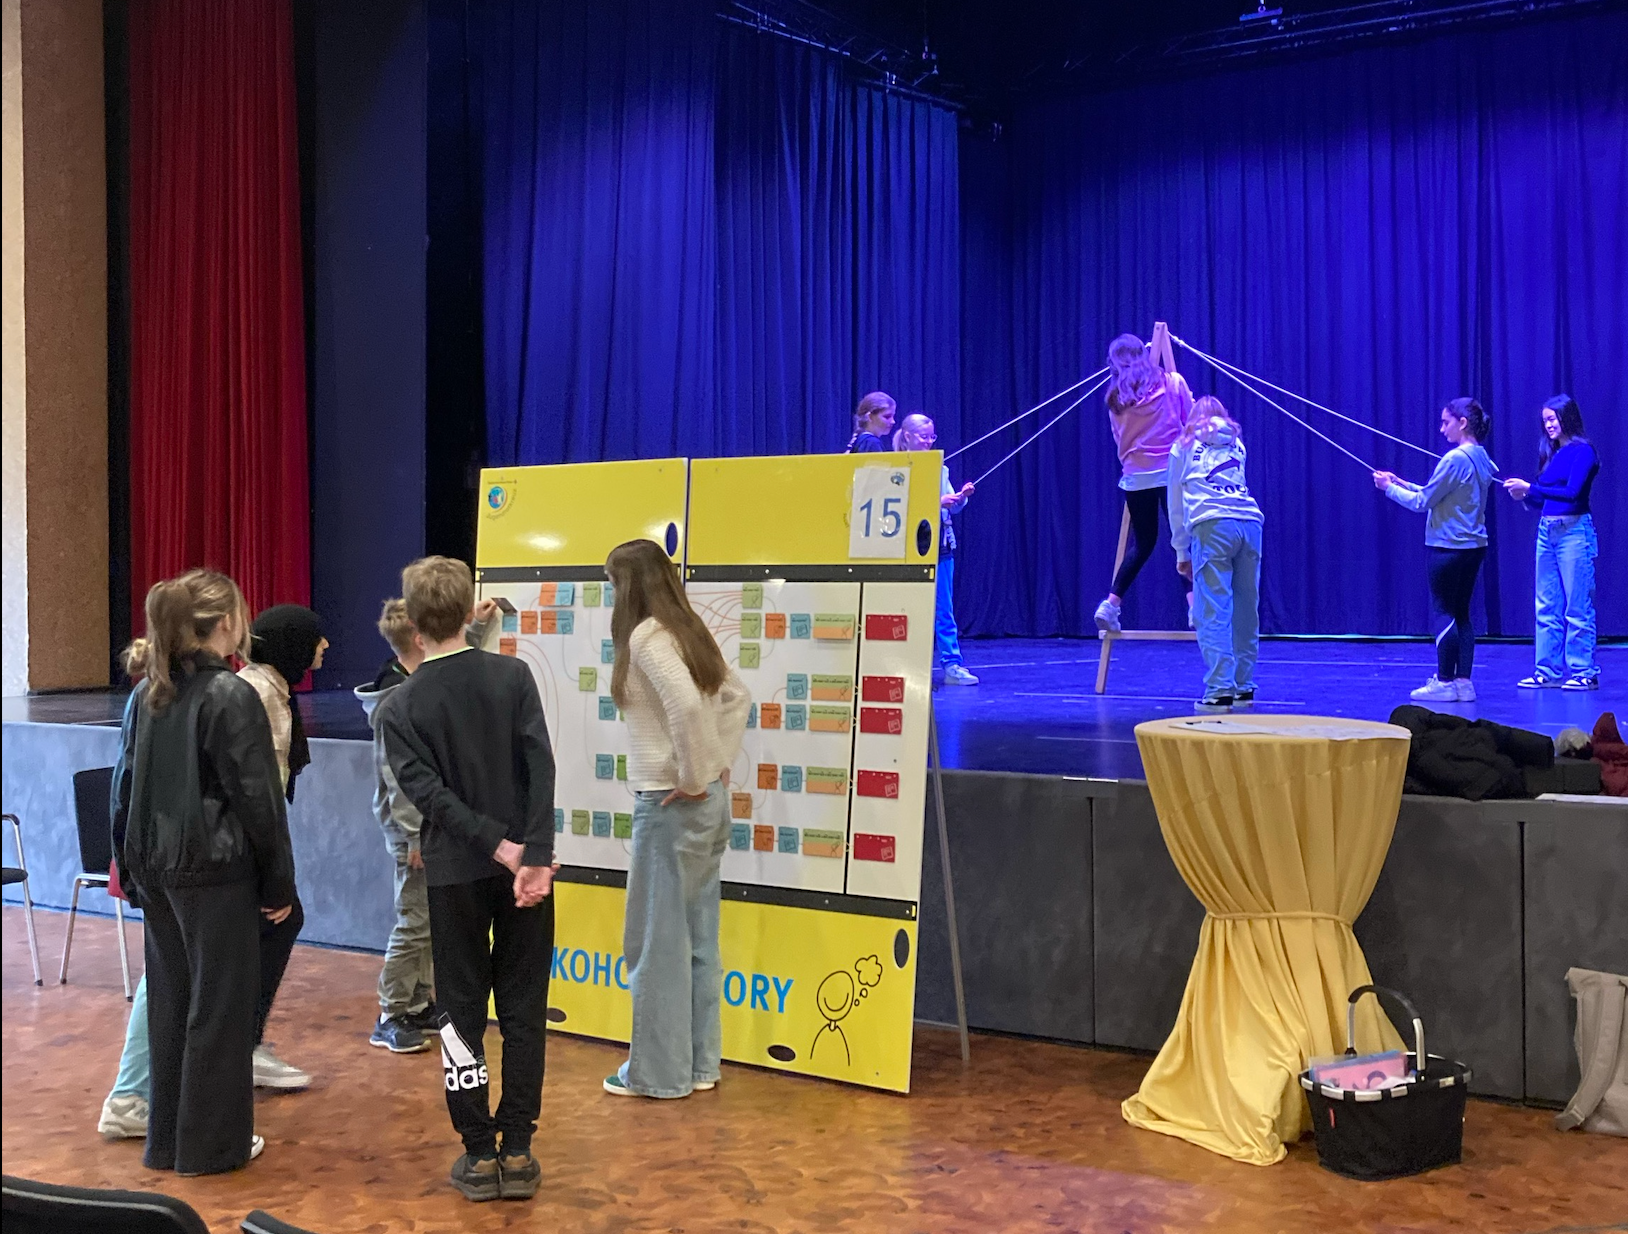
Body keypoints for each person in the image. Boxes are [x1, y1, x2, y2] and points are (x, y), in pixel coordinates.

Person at [381, 556, 557, 1204]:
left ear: (414, 623)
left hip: (455, 874)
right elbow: (541, 768)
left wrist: (498, 847)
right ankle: (520, 1148)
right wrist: (531, 853)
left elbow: (428, 796)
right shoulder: (513, 676)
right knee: (524, 1010)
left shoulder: (400, 705)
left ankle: (479, 1153)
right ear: (467, 612)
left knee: (459, 1012)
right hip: (525, 872)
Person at [110, 569, 295, 1174]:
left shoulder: (147, 693)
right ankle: (212, 1148)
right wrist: (279, 881)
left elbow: (122, 789)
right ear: (227, 624)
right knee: (219, 1011)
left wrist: (129, 867)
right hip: (217, 874)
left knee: (170, 1005)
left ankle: (166, 1142)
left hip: (156, 872)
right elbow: (259, 801)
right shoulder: (229, 694)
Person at [600, 539, 750, 1099]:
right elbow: (738, 697)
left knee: (656, 943)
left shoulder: (645, 638)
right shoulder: (686, 629)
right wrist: (714, 765)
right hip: (707, 805)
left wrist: (692, 776)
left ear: (628, 586)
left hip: (671, 805)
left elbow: (687, 706)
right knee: (697, 939)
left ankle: (659, 1075)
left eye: (611, 583)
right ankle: (699, 1065)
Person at [354, 598, 499, 1054]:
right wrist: (415, 835)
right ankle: (391, 1011)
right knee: (415, 921)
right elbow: (399, 778)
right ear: (421, 641)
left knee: (429, 920)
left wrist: (476, 627)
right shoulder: (397, 702)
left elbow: (454, 660)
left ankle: (416, 1002)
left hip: (427, 828)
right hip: (414, 833)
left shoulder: (415, 684)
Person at [235, 604, 328, 1089]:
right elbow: (261, 794)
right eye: (315, 638)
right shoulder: (260, 697)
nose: (325, 646)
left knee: (277, 925)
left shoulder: (271, 689)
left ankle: (243, 1043)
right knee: (279, 920)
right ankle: (242, 1047)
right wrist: (274, 875)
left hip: (245, 842)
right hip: (240, 847)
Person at [1374, 397, 1496, 703]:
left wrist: (1389, 489)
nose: (1442, 429)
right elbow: (1438, 494)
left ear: (1462, 423)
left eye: (1446, 422)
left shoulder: (1455, 459)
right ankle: (1463, 683)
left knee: (1444, 612)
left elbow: (1422, 503)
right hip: (1473, 547)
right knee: (1462, 613)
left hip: (1447, 547)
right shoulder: (1481, 456)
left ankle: (1443, 682)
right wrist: (1401, 482)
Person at [1167, 397, 1264, 712]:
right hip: (1249, 523)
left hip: (1212, 524)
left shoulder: (1183, 446)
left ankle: (1219, 690)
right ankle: (1243, 686)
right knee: (1246, 610)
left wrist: (1180, 549)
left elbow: (1175, 502)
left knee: (1212, 610)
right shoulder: (1237, 445)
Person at [1095, 333, 1195, 633]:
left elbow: (1118, 439)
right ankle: (1195, 607)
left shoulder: (1114, 399)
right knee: (1182, 541)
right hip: (1170, 472)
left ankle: (1111, 603)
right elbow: (1190, 424)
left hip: (1136, 476)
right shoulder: (1172, 382)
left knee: (1143, 543)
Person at [1501, 395, 1601, 690]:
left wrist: (1531, 488)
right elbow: (1543, 498)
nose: (1548, 425)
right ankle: (1547, 671)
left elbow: (1572, 493)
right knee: (1546, 605)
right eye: (1545, 420)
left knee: (1577, 606)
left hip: (1574, 533)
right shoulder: (1552, 454)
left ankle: (1584, 672)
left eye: (1552, 419)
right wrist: (1525, 495)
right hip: (1547, 533)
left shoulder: (1584, 452)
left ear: (1567, 418)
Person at [895, 414, 979, 686]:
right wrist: (937, 501)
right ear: (907, 436)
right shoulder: (896, 468)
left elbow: (949, 506)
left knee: (944, 609)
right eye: (923, 436)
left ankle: (952, 664)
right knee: (906, 609)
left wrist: (960, 498)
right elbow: (900, 504)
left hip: (940, 544)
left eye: (932, 436)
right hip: (907, 547)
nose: (929, 441)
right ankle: (904, 664)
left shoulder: (940, 469)